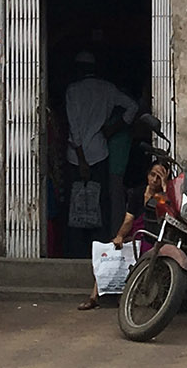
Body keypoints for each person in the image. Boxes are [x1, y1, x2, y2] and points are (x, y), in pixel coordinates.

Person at [79, 112, 164, 310]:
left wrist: (166, 190)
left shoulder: (166, 198)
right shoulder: (136, 194)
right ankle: (94, 297)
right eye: (152, 175)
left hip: (154, 240)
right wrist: (119, 237)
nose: (154, 180)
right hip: (137, 237)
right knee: (107, 253)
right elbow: (129, 220)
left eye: (159, 177)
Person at [62, 53, 138, 243]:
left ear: (79, 69)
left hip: (75, 157)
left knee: (76, 205)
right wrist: (114, 128)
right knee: (99, 204)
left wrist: (81, 161)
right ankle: (100, 244)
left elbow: (74, 129)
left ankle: (77, 247)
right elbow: (133, 107)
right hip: (100, 154)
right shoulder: (108, 89)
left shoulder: (73, 90)